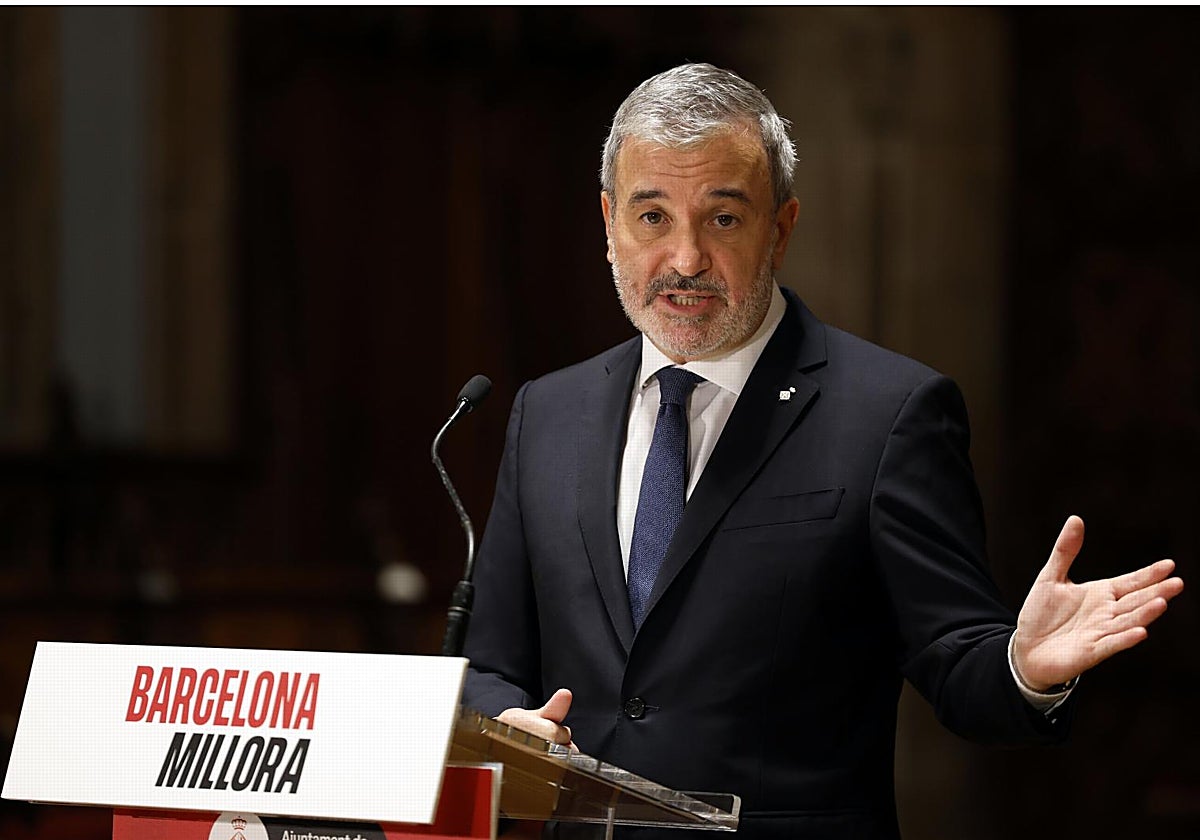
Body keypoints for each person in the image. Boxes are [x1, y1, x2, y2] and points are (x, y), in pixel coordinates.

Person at [460, 63, 1183, 839]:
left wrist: (1022, 668)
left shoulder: (890, 414)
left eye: (723, 219)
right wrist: (507, 723)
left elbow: (955, 660)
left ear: (781, 227)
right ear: (609, 225)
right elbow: (490, 662)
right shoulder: (547, 413)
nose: (686, 258)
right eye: (653, 217)